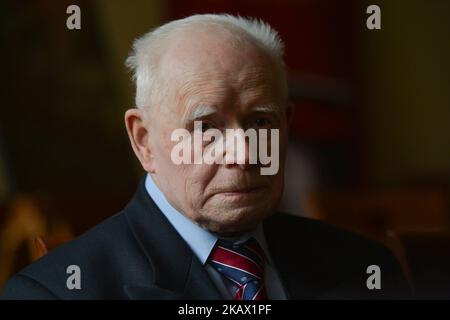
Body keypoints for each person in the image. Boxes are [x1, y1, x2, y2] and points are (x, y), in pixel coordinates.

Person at [2, 14, 409, 300]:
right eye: (206, 128)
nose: (243, 153)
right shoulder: (56, 292)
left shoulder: (365, 267)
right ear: (143, 140)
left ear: (287, 123)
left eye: (261, 122)